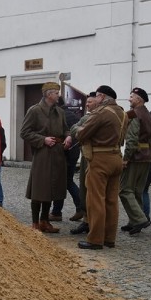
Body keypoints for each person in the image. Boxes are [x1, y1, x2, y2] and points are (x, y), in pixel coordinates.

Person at [71, 85, 126, 249]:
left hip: (100, 159)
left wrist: (76, 128)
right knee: (111, 201)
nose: (96, 99)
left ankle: (95, 239)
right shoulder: (122, 113)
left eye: (98, 96)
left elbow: (81, 133)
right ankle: (109, 238)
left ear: (102, 96)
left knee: (95, 200)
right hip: (116, 157)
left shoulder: (102, 112)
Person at [20, 81, 69, 233]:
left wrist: (68, 137)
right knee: (39, 188)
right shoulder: (34, 111)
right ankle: (35, 223)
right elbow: (25, 132)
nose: (59, 95)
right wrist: (43, 140)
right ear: (49, 94)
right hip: (42, 154)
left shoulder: (60, 112)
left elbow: (66, 129)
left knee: (52, 189)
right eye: (56, 93)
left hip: (58, 154)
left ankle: (45, 221)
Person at [119, 87, 151, 236]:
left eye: (132, 96)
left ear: (139, 99)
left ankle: (139, 219)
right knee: (137, 190)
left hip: (135, 157)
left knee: (125, 189)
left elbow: (132, 139)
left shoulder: (134, 114)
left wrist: (126, 158)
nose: (129, 99)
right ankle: (134, 221)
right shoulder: (148, 114)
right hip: (146, 156)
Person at [68, 92, 98, 235]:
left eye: (90, 102)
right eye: (87, 102)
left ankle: (90, 221)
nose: (87, 105)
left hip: (91, 156)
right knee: (86, 188)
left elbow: (76, 129)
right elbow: (74, 129)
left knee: (89, 189)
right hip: (88, 153)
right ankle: (87, 219)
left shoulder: (91, 117)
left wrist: (80, 130)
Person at [51, 101, 85, 222]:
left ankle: (59, 211)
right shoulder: (73, 115)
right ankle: (58, 211)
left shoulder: (60, 115)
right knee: (65, 181)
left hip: (65, 153)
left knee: (64, 182)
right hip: (74, 152)